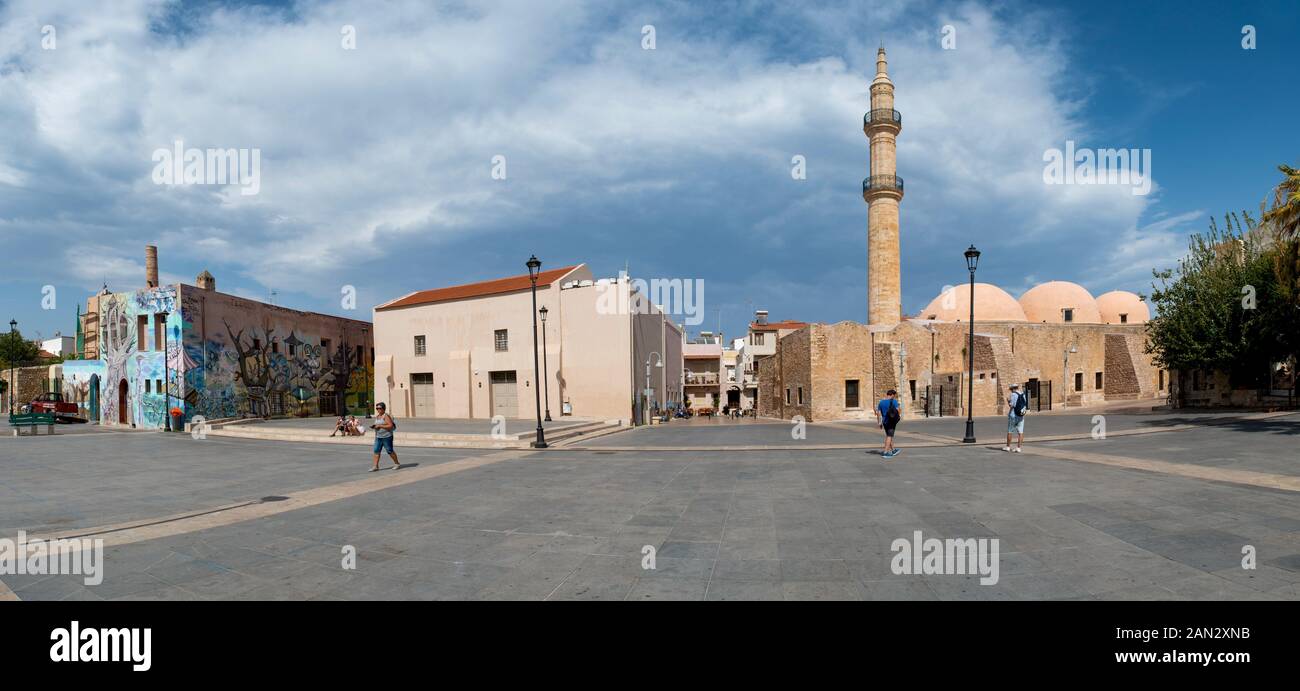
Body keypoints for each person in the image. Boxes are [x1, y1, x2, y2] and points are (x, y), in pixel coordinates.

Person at [368, 403, 402, 472]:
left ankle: (397, 463)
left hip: (387, 437)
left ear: (383, 408)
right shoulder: (377, 416)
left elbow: (390, 426)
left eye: (379, 408)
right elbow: (379, 425)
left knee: (389, 451)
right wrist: (374, 426)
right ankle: (375, 466)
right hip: (378, 437)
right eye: (377, 408)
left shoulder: (385, 416)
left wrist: (380, 426)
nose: (378, 410)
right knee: (376, 451)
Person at [876, 389, 902, 458]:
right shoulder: (894, 401)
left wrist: (879, 422)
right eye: (894, 395)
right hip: (891, 422)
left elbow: (878, 413)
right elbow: (898, 411)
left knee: (889, 435)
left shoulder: (881, 402)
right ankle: (885, 452)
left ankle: (893, 450)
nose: (894, 397)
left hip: (884, 422)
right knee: (889, 436)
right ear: (892, 395)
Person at [1004, 383, 1027, 452]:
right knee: (1021, 432)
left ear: (1012, 389)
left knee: (1010, 431)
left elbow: (1012, 405)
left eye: (1011, 389)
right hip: (1021, 415)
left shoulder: (1013, 394)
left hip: (1013, 415)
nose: (1010, 391)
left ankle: (1008, 447)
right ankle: (1018, 448)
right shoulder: (1023, 394)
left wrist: (1008, 401)